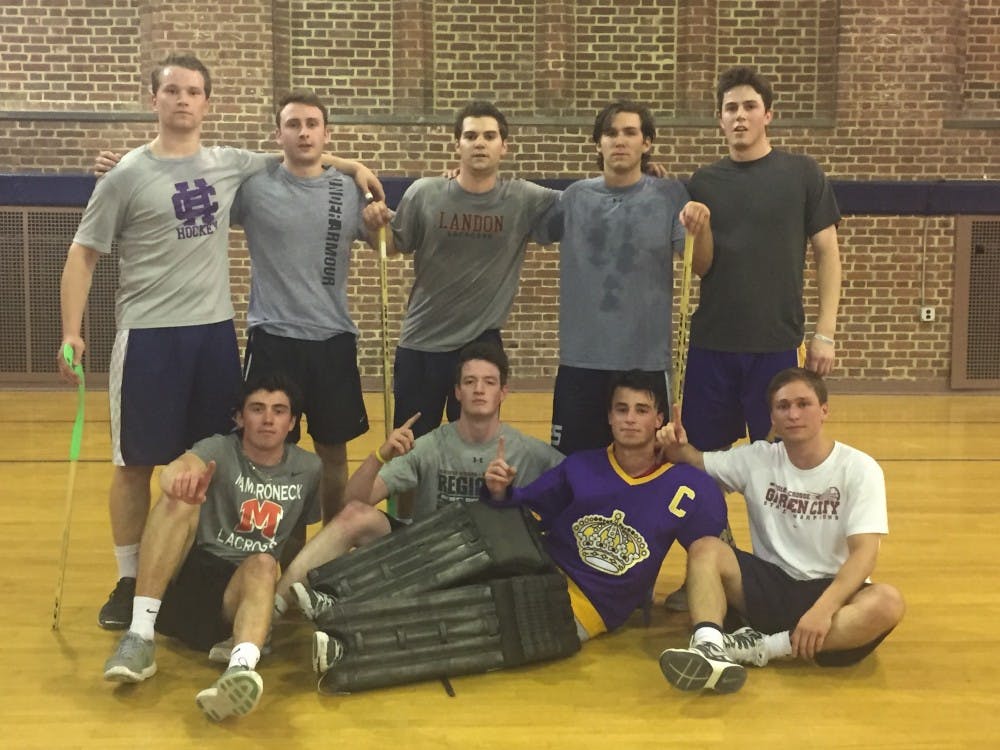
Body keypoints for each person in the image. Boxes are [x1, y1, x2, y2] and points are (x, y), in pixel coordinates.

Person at [65, 56, 379, 630]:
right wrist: (71, 331)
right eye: (171, 90)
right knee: (136, 463)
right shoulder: (126, 174)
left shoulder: (229, 164)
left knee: (212, 460)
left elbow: (300, 154)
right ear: (153, 99)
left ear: (207, 102)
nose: (183, 100)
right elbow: (83, 253)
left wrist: (352, 163)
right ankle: (130, 579)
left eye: (193, 91)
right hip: (149, 334)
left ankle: (195, 562)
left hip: (213, 333)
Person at [656, 368, 905, 694]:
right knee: (705, 548)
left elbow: (865, 553)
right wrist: (674, 445)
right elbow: (693, 460)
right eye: (783, 406)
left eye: (804, 404)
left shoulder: (859, 468)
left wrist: (823, 609)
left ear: (824, 410)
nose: (794, 414)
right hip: (769, 585)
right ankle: (708, 646)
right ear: (772, 418)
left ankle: (762, 648)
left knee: (888, 602)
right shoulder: (757, 459)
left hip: (827, 588)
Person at [279, 341, 565, 622]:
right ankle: (272, 609)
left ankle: (343, 597)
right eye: (470, 382)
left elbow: (577, 487)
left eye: (489, 382)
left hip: (488, 563)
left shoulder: (528, 451)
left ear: (503, 392)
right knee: (355, 516)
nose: (479, 389)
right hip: (425, 553)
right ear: (457, 392)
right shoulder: (431, 445)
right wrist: (379, 456)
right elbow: (352, 502)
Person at [101, 373, 322, 721]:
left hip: (236, 599)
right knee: (180, 499)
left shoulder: (308, 468)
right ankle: (139, 637)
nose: (268, 419)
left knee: (266, 562)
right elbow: (182, 467)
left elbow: (294, 539)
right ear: (239, 417)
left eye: (279, 411)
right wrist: (175, 478)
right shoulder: (219, 449)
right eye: (257, 409)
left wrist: (283, 604)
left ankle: (239, 669)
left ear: (292, 421)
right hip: (188, 580)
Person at [234, 90, 391, 522]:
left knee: (332, 452)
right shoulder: (253, 187)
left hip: (331, 339)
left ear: (326, 133)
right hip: (272, 337)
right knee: (265, 446)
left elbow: (388, 247)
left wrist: (380, 226)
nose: (303, 133)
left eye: (312, 125)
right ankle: (268, 535)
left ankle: (331, 544)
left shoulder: (350, 188)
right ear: (277, 133)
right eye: (293, 125)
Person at [364, 101, 559, 441]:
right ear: (458, 145)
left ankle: (473, 499)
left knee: (475, 447)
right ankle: (407, 499)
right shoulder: (426, 193)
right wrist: (373, 227)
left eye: (489, 136)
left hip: (480, 345)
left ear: (504, 146)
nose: (480, 143)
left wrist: (647, 174)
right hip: (421, 343)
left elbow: (592, 199)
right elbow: (393, 245)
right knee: (408, 447)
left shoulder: (524, 199)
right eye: (470, 136)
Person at [482, 370, 728, 640]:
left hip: (591, 604)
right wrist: (499, 491)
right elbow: (524, 505)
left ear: (659, 419)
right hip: (543, 574)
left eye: (641, 410)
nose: (630, 419)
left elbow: (713, 554)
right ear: (610, 417)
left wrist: (684, 454)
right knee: (460, 607)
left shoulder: (686, 485)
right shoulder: (581, 465)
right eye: (622, 410)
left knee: (497, 634)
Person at [532, 100, 713, 456]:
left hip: (645, 363)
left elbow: (702, 265)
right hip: (582, 363)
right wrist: (454, 178)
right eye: (611, 133)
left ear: (646, 143)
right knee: (572, 468)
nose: (620, 140)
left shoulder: (670, 195)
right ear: (598, 143)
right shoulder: (573, 198)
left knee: (647, 469)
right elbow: (512, 210)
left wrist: (702, 229)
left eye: (630, 132)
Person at [682, 66, 843, 453]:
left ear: (767, 114)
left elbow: (828, 254)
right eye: (731, 108)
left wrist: (825, 334)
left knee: (778, 462)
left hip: (776, 345)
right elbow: (701, 266)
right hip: (712, 345)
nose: (740, 115)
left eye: (750, 106)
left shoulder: (802, 174)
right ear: (720, 118)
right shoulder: (702, 182)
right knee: (701, 462)